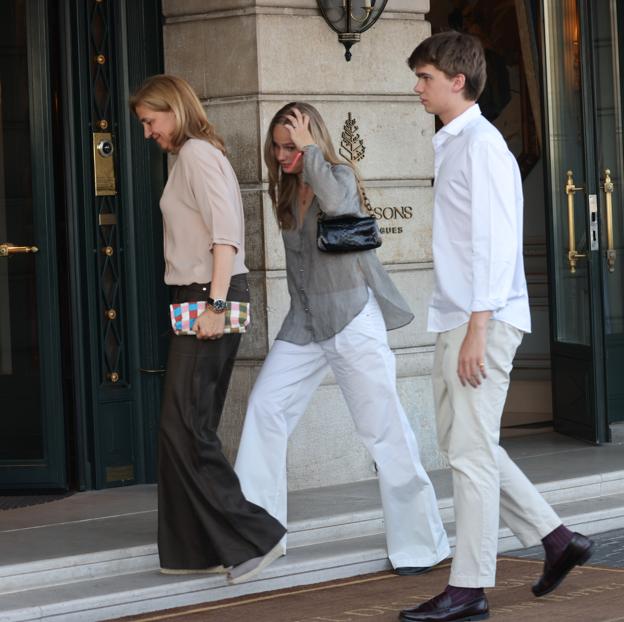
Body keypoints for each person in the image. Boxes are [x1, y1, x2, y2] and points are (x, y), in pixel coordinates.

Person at [399, 31, 593, 622]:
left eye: (425, 77)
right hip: (460, 315)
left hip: (480, 318)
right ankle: (556, 539)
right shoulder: (453, 143)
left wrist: (479, 326)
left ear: (457, 80)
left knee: (470, 456)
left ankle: (469, 587)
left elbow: (494, 243)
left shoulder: (480, 145)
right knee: (468, 445)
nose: (418, 87)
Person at [234, 102, 450, 575]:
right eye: (277, 146)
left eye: (291, 145)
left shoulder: (337, 174)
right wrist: (296, 162)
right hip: (305, 324)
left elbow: (338, 206)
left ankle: (422, 544)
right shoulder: (287, 192)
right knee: (265, 407)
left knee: (384, 430)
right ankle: (260, 536)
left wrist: (311, 152)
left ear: (313, 140)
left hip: (352, 320)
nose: (281, 154)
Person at [130, 74, 286, 585]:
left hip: (209, 297)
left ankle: (257, 536)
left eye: (151, 122)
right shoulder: (189, 157)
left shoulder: (197, 155)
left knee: (185, 427)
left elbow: (226, 237)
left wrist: (215, 304)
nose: (148, 133)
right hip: (196, 297)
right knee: (185, 427)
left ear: (173, 109)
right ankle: (197, 548)